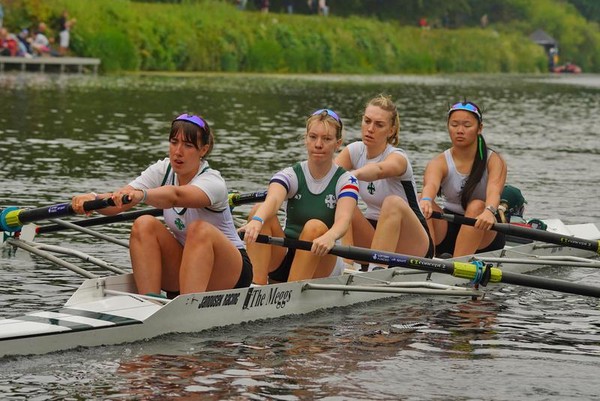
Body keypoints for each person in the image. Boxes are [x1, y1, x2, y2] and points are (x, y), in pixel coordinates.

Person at [71, 113, 253, 297]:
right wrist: (92, 199)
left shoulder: (213, 181)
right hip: (187, 267)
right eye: (174, 142)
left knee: (199, 230)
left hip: (229, 272)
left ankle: (186, 307)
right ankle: (150, 301)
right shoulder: (163, 169)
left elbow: (175, 196)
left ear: (203, 150)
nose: (178, 151)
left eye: (188, 145)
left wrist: (142, 195)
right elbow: (118, 201)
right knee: (144, 224)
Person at [241, 108, 358, 285]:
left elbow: (344, 219)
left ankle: (290, 291)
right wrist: (257, 220)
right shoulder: (291, 174)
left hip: (322, 258)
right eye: (313, 137)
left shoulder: (346, 180)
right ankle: (257, 286)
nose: (318, 144)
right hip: (286, 254)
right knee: (259, 210)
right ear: (306, 139)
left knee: (314, 226)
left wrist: (331, 235)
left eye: (326, 139)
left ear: (338, 143)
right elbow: (273, 200)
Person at [335, 94, 432, 270]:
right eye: (367, 121)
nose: (370, 129)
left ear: (391, 131)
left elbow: (379, 170)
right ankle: (345, 266)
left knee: (392, 202)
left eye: (379, 125)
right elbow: (328, 176)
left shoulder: (398, 158)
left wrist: (352, 175)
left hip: (413, 242)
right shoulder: (354, 150)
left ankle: (375, 271)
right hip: (374, 234)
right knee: (341, 197)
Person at [419, 101, 507, 257]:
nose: (460, 131)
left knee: (476, 205)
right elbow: (430, 186)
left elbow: (494, 191)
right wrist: (426, 200)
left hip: (484, 228)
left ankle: (458, 264)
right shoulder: (438, 162)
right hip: (448, 227)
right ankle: (428, 259)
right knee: (420, 199)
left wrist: (489, 211)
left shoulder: (494, 161)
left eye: (467, 125)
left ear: (479, 128)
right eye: (454, 125)